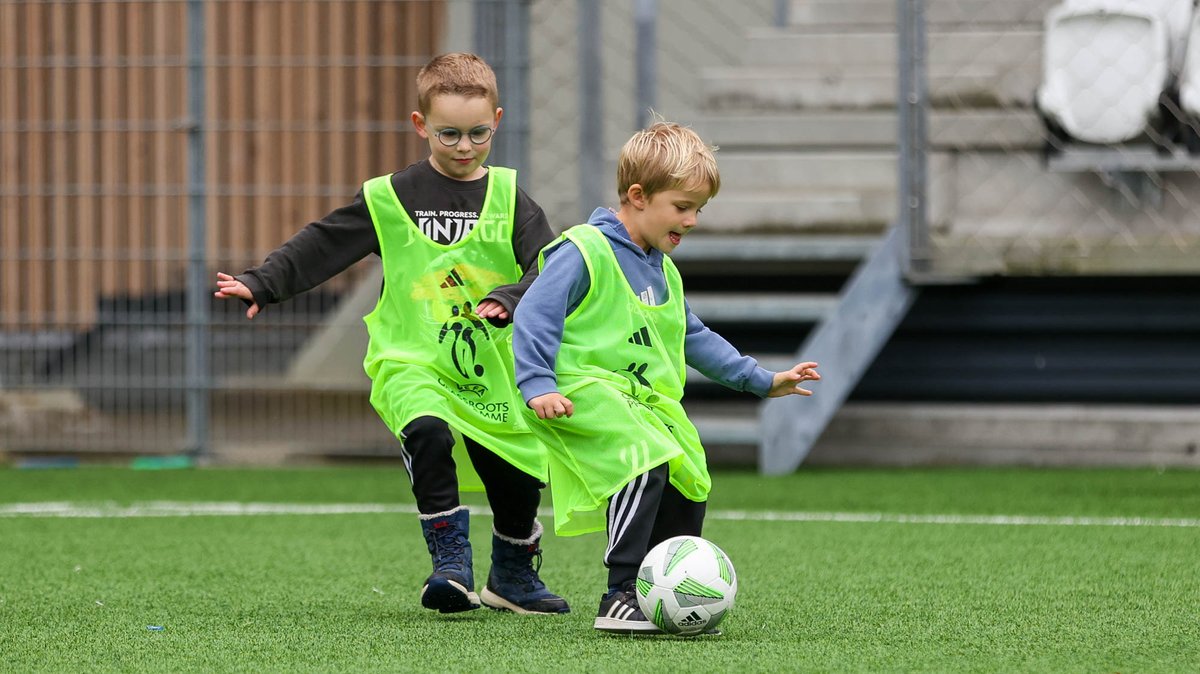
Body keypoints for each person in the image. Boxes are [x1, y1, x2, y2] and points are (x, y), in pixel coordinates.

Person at [214, 52, 568, 616]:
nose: (463, 146)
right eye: (448, 133)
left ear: (497, 121)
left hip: (491, 367)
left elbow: (549, 267)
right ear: (420, 124)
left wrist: (509, 298)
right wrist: (264, 282)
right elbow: (324, 242)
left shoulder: (512, 199)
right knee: (427, 432)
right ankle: (451, 566)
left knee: (516, 467)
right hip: (413, 359)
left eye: (478, 133)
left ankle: (513, 576)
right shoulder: (389, 196)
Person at [512, 121, 820, 634]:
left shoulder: (664, 271)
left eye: (700, 208)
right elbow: (535, 314)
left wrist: (763, 380)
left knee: (689, 471)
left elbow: (692, 338)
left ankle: (663, 597)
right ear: (637, 196)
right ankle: (622, 594)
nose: (693, 220)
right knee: (645, 457)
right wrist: (538, 383)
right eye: (683, 206)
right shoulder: (584, 249)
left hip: (643, 401)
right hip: (580, 390)